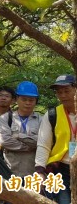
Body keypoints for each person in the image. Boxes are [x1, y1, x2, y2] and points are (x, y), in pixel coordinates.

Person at [35, 74, 76, 203]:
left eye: (66, 91)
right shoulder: (52, 114)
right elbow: (43, 144)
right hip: (62, 169)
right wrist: (40, 170)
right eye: (59, 92)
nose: (63, 95)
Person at [0, 81, 41, 177]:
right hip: (10, 171)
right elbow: (4, 141)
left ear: (36, 101)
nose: (27, 103)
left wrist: (18, 136)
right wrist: (30, 146)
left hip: (33, 172)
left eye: (31, 100)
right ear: (17, 99)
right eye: (24, 99)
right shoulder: (5, 118)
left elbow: (43, 142)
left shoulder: (41, 120)